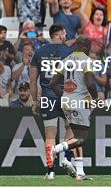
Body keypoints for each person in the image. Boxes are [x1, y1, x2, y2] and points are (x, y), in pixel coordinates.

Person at [29, 25, 74, 179]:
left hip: (48, 98)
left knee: (49, 135)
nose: (66, 36)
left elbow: (33, 80)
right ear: (60, 34)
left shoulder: (39, 52)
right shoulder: (69, 52)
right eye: (65, 34)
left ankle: (50, 171)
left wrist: (35, 101)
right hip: (66, 96)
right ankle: (67, 159)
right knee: (71, 128)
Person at [49, 36, 97, 181]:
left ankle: (80, 172)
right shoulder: (87, 61)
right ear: (87, 47)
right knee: (80, 138)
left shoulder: (65, 60)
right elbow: (89, 83)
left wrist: (64, 96)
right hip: (80, 102)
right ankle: (56, 149)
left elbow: (53, 84)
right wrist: (95, 97)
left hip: (66, 102)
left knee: (75, 136)